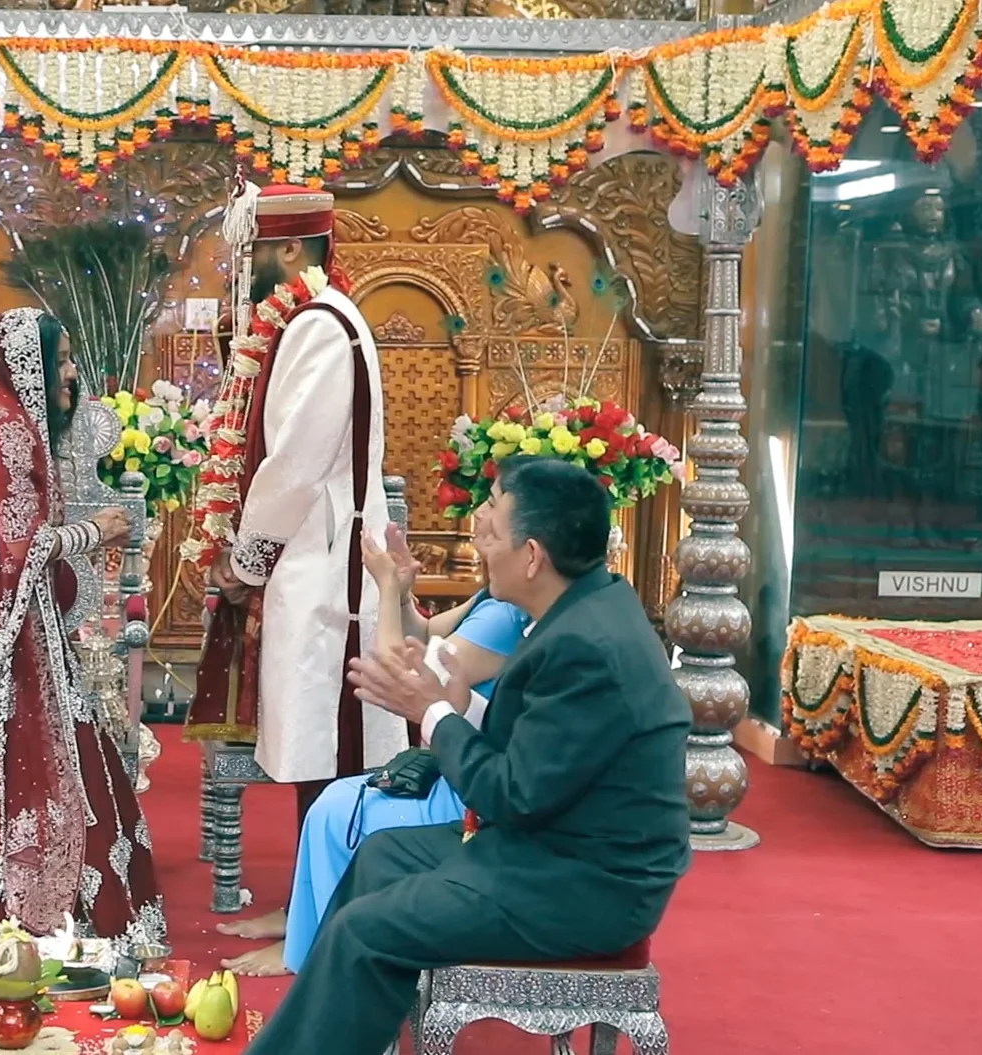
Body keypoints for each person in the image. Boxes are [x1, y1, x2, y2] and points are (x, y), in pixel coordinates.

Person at [246, 457, 691, 1055]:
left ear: (532, 556)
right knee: (382, 855)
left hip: (586, 886)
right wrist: (460, 708)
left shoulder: (584, 645)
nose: (479, 537)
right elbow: (550, 751)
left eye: (492, 524)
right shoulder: (583, 608)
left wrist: (434, 713)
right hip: (553, 848)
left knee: (365, 931)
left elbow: (512, 795)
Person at [0, 309, 167, 954]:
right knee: (26, 745)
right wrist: (98, 531)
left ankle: (20, 890)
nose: (71, 372)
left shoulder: (8, 423)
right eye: (62, 359)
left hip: (11, 612)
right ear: (31, 367)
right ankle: (14, 900)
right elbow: (25, 548)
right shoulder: (10, 431)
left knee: (36, 745)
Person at [185, 183, 396, 930]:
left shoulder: (318, 325)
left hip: (327, 565)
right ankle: (311, 905)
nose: (244, 273)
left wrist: (244, 561)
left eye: (253, 256)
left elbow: (294, 467)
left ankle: (328, 917)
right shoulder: (315, 319)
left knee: (333, 743)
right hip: (312, 557)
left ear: (291, 249)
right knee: (316, 743)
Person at [220, 523, 532, 977]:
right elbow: (427, 632)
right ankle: (304, 928)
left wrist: (385, 587)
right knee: (334, 803)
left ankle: (309, 949)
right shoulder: (493, 599)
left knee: (338, 811)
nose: (479, 517)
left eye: (493, 507)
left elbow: (401, 673)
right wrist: (403, 595)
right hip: (461, 764)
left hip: (470, 784)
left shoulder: (505, 614)